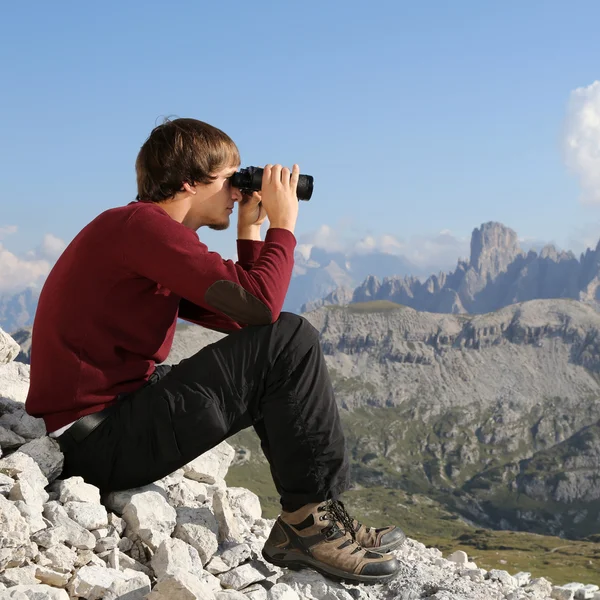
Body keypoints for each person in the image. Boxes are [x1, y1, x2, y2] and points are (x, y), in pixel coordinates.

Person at [25, 117, 404, 584]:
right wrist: (283, 226)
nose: (237, 191)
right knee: (292, 337)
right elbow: (264, 311)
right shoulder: (142, 227)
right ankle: (308, 524)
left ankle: (313, 516)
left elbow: (245, 318)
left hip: (99, 431)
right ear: (188, 181)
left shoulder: (141, 235)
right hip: (94, 441)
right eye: (232, 179)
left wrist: (249, 231)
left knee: (279, 342)